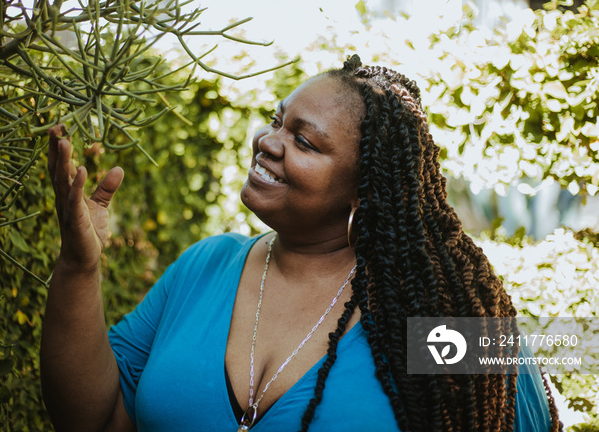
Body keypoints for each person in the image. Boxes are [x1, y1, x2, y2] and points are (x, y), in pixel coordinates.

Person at [41, 55, 560, 431]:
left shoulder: (435, 307)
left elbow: (516, 409)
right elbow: (95, 415)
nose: (267, 142)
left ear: (364, 188)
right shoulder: (206, 267)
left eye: (304, 141)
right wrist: (78, 268)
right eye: (276, 122)